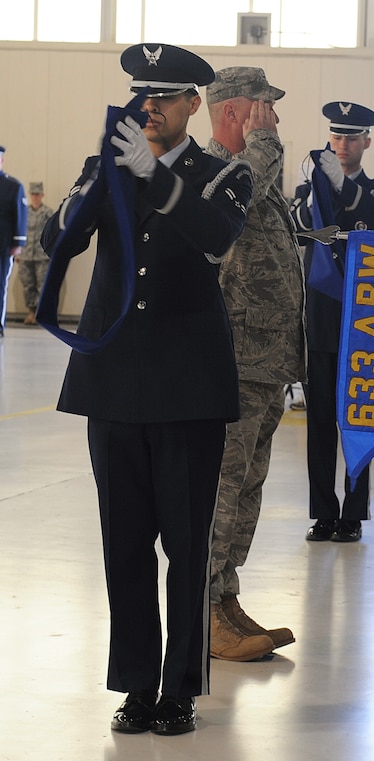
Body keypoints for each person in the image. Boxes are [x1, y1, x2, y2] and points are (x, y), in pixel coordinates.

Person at [40, 43, 252, 735]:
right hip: (115, 379)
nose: (149, 107)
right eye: (141, 94)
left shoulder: (223, 174)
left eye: (163, 96)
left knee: (186, 546)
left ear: (194, 102)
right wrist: (99, 176)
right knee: (123, 541)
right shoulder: (107, 165)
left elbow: (213, 236)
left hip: (188, 385)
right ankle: (135, 683)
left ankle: (180, 687)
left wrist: (155, 179)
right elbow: (60, 239)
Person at [205, 66, 304, 661]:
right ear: (234, 113)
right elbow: (238, 198)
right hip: (235, 362)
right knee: (220, 488)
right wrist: (264, 147)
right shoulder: (219, 171)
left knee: (248, 486)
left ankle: (227, 598)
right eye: (263, 108)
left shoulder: (258, 172)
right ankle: (203, 610)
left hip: (269, 361)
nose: (272, 118)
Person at [290, 101, 374, 543]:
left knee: (357, 417)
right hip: (322, 314)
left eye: (352, 138)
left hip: (365, 317)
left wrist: (343, 195)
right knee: (318, 420)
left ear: (366, 142)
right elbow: (299, 227)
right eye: (336, 137)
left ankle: (353, 512)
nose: (342, 145)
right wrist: (321, 198)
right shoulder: (309, 189)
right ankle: (322, 511)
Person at [0, 146, 27, 337]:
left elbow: (20, 215)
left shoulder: (12, 186)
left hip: (3, 245)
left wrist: (17, 243)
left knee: (0, 283)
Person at [18, 181, 52, 325]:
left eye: (38, 194)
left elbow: (53, 233)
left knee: (42, 285)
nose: (35, 197)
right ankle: (31, 312)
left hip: (41, 256)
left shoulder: (48, 213)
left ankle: (40, 314)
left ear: (42, 195)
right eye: (33, 194)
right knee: (28, 284)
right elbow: (18, 230)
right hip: (25, 255)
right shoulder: (24, 211)